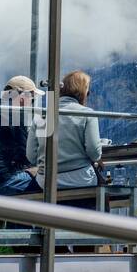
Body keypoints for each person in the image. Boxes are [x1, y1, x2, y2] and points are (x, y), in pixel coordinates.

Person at [26, 70, 101, 202]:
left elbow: (31, 157)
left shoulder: (42, 116)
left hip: (46, 182)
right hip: (81, 181)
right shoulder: (87, 114)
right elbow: (94, 152)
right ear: (83, 92)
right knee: (104, 195)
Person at [0, 76, 41, 196]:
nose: (32, 103)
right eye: (32, 99)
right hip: (4, 182)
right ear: (23, 96)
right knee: (49, 178)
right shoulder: (16, 114)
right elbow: (28, 155)